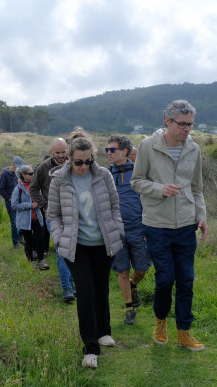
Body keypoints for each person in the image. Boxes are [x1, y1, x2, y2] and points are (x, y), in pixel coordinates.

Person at [131, 99, 208, 351]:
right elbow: (137, 181)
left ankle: (184, 331)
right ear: (167, 121)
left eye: (190, 124)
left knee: (186, 279)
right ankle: (160, 321)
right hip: (157, 224)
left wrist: (201, 216)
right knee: (165, 279)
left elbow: (196, 188)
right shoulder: (147, 146)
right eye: (182, 124)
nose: (187, 129)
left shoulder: (194, 149)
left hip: (186, 224)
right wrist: (159, 189)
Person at [48, 127, 124, 369]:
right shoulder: (59, 180)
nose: (83, 166)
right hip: (75, 245)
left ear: (93, 157)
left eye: (87, 161)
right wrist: (59, 238)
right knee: (86, 291)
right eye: (79, 162)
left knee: (101, 288)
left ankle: (104, 331)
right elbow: (54, 214)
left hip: (103, 243)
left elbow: (114, 206)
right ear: (69, 157)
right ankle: (90, 346)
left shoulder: (103, 175)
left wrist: (118, 229)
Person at [106, 134, 151, 325]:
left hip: (138, 230)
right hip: (116, 231)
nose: (108, 153)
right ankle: (129, 309)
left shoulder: (140, 172)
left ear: (124, 151)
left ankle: (133, 285)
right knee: (122, 271)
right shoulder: (105, 174)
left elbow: (149, 200)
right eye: (107, 150)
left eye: (112, 150)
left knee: (141, 269)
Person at [31, 137, 76, 302]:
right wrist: (44, 205)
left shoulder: (75, 164)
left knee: (74, 249)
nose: (61, 155)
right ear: (52, 152)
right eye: (57, 152)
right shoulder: (43, 168)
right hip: (54, 215)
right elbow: (34, 189)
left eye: (64, 152)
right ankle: (66, 287)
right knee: (61, 250)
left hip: (74, 214)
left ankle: (73, 281)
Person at [11, 165, 49, 270]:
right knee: (29, 242)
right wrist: (29, 205)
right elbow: (14, 205)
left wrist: (38, 203)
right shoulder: (17, 189)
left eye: (33, 173)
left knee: (40, 239)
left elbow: (42, 198)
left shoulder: (36, 186)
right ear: (24, 175)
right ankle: (31, 262)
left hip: (37, 218)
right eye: (31, 173)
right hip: (24, 221)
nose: (33, 175)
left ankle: (41, 261)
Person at [0, 156, 24, 249]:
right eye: (17, 166)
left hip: (19, 202)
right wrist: (8, 198)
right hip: (10, 203)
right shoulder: (5, 174)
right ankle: (15, 243)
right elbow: (1, 189)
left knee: (22, 221)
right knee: (14, 223)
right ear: (13, 164)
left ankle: (20, 236)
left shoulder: (18, 174)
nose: (19, 168)